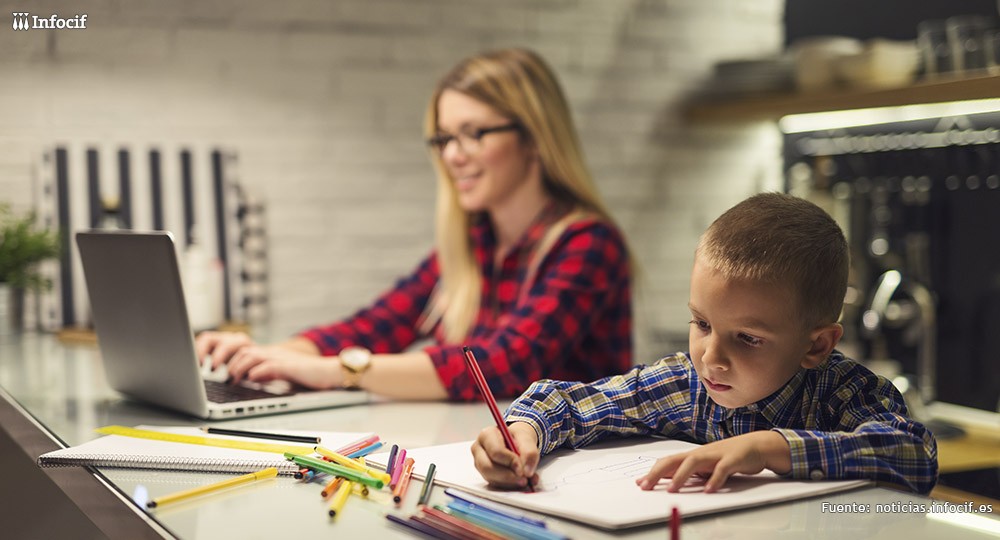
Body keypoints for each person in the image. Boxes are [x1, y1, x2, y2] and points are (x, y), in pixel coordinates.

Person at [195, 48, 633, 401]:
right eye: (444, 138)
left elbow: (499, 365)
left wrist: (336, 371)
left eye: (473, 133)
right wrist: (269, 355)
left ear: (534, 138)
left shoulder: (589, 243)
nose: (452, 156)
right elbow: (375, 326)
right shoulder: (473, 245)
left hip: (578, 470)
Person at [472, 193, 938, 494]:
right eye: (701, 323)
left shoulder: (845, 393)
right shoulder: (686, 385)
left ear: (816, 346)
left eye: (748, 339)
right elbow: (572, 402)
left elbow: (914, 452)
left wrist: (765, 448)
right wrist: (523, 432)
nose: (711, 357)